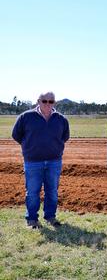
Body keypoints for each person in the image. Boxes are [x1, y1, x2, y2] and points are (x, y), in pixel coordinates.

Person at [12, 91, 70, 229]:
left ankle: (50, 216)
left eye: (51, 101)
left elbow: (65, 137)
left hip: (54, 161)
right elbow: (16, 135)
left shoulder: (61, 119)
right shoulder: (26, 117)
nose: (48, 104)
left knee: (52, 191)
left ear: (54, 103)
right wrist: (30, 147)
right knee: (32, 192)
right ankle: (32, 219)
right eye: (44, 101)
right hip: (33, 161)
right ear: (38, 101)